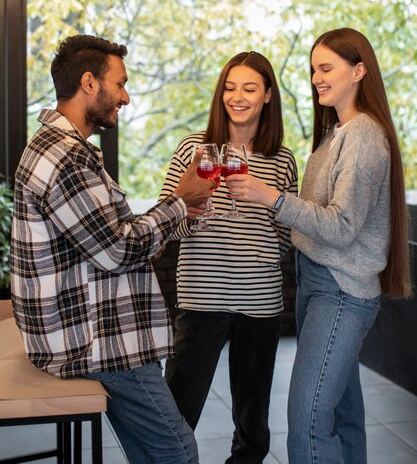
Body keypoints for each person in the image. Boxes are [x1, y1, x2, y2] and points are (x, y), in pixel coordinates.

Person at [10, 34, 216, 464]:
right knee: (179, 450)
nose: (125, 95)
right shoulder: (66, 158)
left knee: (151, 451)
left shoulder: (55, 146)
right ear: (89, 83)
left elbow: (110, 236)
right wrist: (179, 200)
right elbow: (117, 250)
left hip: (80, 329)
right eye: (119, 83)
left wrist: (178, 214)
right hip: (92, 340)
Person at [226, 28, 412, 464]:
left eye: (326, 68)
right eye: (313, 69)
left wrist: (270, 197)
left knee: (307, 420)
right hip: (319, 283)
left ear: (359, 70)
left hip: (341, 291)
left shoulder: (363, 135)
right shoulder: (337, 134)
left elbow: (343, 226)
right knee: (343, 417)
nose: (316, 78)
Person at [159, 51, 298, 464]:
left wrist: (266, 206)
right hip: (203, 298)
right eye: (231, 87)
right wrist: (196, 213)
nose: (238, 97)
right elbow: (167, 224)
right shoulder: (193, 149)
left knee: (253, 426)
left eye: (250, 88)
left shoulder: (282, 160)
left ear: (268, 96)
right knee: (176, 413)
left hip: (260, 302)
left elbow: (287, 239)